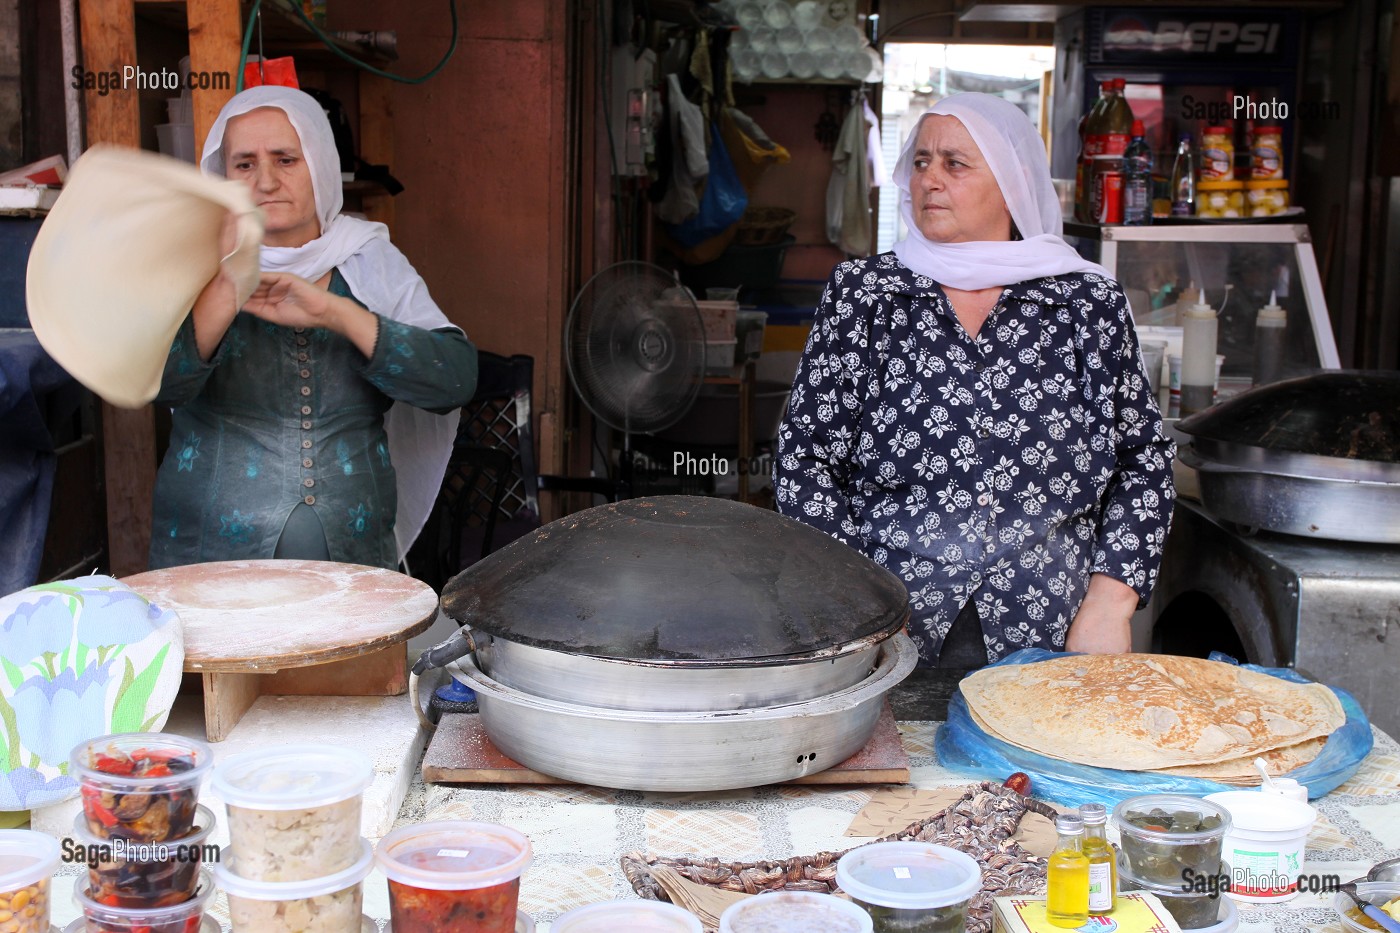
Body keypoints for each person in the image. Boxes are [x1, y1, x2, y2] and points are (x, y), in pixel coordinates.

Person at [774, 93, 1174, 668]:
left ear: (1011, 185)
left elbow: (1145, 460)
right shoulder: (867, 295)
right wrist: (853, 600)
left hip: (1055, 629)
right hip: (888, 629)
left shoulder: (1085, 302)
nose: (929, 180)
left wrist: (1110, 603)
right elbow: (805, 459)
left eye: (954, 164)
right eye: (920, 162)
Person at [149, 86, 478, 571]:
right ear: (223, 178)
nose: (264, 181)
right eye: (244, 164)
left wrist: (337, 314)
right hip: (207, 564)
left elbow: (454, 380)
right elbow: (154, 383)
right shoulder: (193, 262)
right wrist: (224, 286)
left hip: (354, 567)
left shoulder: (369, 260)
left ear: (320, 166)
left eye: (285, 159)